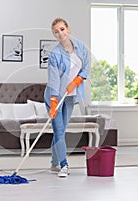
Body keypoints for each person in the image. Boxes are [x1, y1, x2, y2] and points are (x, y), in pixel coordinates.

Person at [44, 17, 90, 177]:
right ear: (54, 35)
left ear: (68, 29)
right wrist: (53, 100)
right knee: (58, 130)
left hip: (70, 96)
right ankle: (64, 165)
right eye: (56, 31)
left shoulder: (81, 47)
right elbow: (54, 78)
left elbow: (86, 68)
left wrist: (77, 81)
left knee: (61, 131)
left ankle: (54, 163)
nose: (60, 33)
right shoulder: (55, 54)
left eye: (62, 29)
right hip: (54, 96)